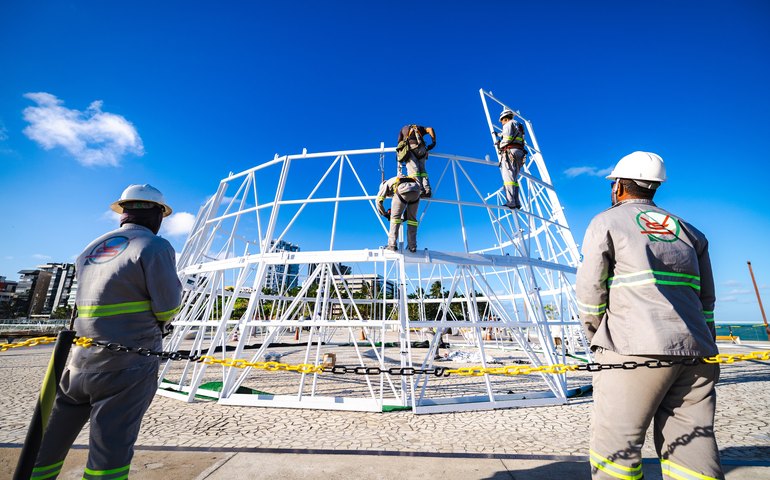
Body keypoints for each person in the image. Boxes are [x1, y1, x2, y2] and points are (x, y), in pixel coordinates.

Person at [576, 152, 723, 480]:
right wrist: (703, 338)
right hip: (697, 352)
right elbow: (707, 300)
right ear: (655, 187)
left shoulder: (607, 222)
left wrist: (598, 338)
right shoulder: (690, 232)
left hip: (633, 349)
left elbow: (590, 292)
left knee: (616, 451)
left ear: (618, 186)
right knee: (693, 449)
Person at [33, 184, 182, 480]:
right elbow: (168, 307)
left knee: (50, 438)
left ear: (122, 213)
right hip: (126, 363)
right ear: (158, 215)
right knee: (110, 449)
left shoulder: (91, 248)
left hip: (78, 361)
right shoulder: (155, 246)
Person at [376, 175, 421, 252]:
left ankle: (392, 245)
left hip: (402, 189)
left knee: (395, 219)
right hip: (416, 190)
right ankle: (412, 246)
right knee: (412, 221)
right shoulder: (398, 178)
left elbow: (378, 201)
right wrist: (406, 215)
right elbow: (408, 196)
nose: (388, 195)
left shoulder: (385, 185)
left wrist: (384, 214)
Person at [494, 108, 526, 209]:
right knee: (514, 179)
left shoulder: (508, 124)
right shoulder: (518, 125)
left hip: (510, 152)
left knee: (508, 179)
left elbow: (507, 138)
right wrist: (499, 135)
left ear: (505, 118)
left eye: (502, 121)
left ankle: (511, 202)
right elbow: (513, 135)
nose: (502, 124)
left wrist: (500, 145)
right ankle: (517, 202)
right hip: (519, 152)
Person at [397, 124, 436, 198]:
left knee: (414, 171)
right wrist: (433, 142)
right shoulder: (419, 127)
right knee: (423, 171)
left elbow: (400, 143)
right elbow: (430, 128)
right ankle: (427, 190)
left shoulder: (403, 129)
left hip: (411, 149)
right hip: (422, 149)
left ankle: (420, 190)